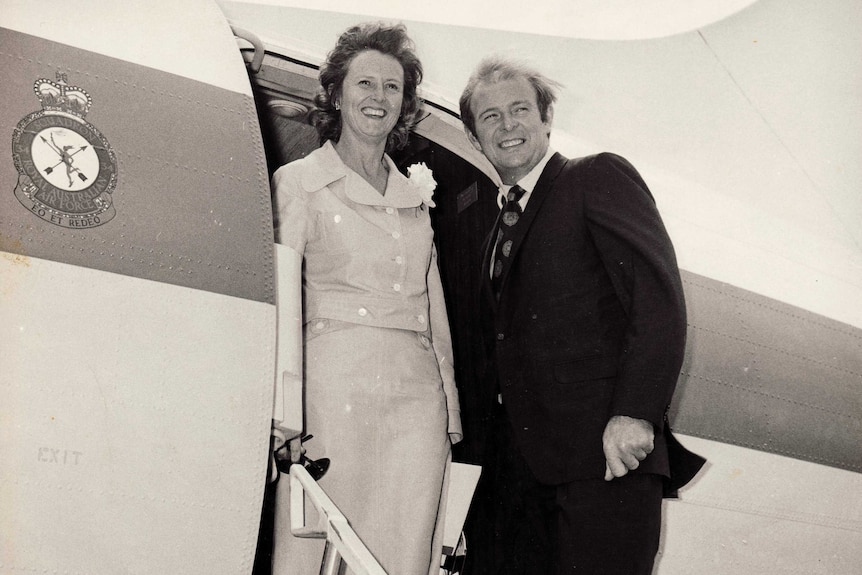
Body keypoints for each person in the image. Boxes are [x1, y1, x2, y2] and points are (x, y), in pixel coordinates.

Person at [458, 56, 705, 574]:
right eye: (491, 117)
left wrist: (636, 412)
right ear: (474, 137)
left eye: (520, 109)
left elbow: (657, 300)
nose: (508, 126)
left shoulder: (596, 176)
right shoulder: (494, 232)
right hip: (516, 473)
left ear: (547, 118)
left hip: (602, 458)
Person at [270, 22, 462, 575]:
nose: (378, 98)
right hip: (331, 391)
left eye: (392, 87)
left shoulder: (416, 199)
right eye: (365, 84)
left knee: (402, 548)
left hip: (415, 402)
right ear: (336, 92)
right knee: (318, 546)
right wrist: (283, 416)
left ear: (404, 104)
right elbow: (285, 303)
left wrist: (449, 407)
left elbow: (434, 314)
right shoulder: (299, 182)